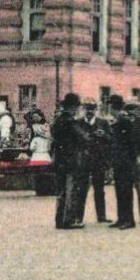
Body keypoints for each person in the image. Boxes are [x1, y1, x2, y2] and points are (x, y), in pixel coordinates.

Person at [51, 93, 84, 229]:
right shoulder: (72, 122)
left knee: (61, 192)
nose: (77, 110)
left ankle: (59, 220)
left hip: (59, 160)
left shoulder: (57, 122)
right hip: (71, 160)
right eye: (76, 107)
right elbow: (82, 137)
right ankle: (69, 220)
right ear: (72, 107)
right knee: (71, 190)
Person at [107, 96, 139, 229]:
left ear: (113, 107)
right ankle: (122, 218)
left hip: (125, 161)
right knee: (120, 190)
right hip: (120, 160)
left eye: (109, 105)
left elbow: (131, 142)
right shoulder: (119, 120)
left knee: (125, 191)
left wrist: (128, 159)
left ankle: (129, 220)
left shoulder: (123, 120)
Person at [77, 99, 111, 221]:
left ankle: (101, 216)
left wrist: (104, 135)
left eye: (91, 109)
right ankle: (78, 217)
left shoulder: (103, 123)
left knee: (100, 190)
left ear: (96, 110)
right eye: (87, 108)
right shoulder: (78, 123)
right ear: (83, 109)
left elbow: (111, 140)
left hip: (98, 160)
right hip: (83, 161)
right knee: (81, 189)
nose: (89, 111)